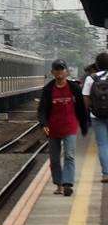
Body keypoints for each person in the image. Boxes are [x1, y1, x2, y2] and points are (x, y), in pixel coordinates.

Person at [37, 59, 88, 196]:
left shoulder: (74, 88)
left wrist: (84, 125)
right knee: (54, 159)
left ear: (66, 71)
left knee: (69, 155)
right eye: (57, 70)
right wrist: (44, 124)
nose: (59, 72)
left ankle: (67, 184)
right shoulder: (48, 89)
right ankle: (58, 184)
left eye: (62, 69)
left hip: (70, 127)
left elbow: (81, 108)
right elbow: (42, 109)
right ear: (52, 72)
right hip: (53, 128)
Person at [82, 51, 108, 183]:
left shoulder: (91, 78)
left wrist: (91, 110)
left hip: (96, 115)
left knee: (103, 144)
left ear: (97, 65)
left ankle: (106, 174)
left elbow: (85, 98)